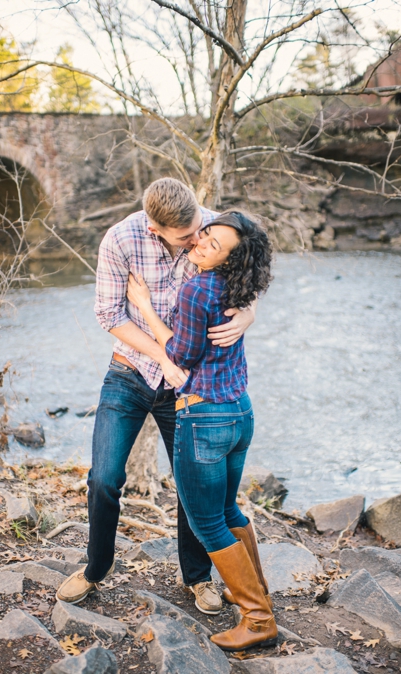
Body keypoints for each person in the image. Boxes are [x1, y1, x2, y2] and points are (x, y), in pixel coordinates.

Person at [56, 178, 256, 616]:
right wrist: (160, 356)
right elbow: (109, 313)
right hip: (129, 372)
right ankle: (95, 568)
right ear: (155, 228)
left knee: (192, 489)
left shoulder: (209, 228)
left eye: (199, 230)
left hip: (184, 387)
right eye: (186, 237)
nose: (196, 241)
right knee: (104, 478)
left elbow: (246, 274)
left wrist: (248, 312)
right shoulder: (120, 241)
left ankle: (198, 578)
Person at [126, 210, 276, 651]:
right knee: (228, 511)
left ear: (228, 260)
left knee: (206, 521)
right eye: (204, 236)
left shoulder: (197, 288)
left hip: (204, 416)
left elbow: (181, 354)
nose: (200, 244)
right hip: (239, 413)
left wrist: (146, 309)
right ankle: (256, 592)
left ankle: (258, 618)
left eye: (212, 246)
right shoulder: (239, 286)